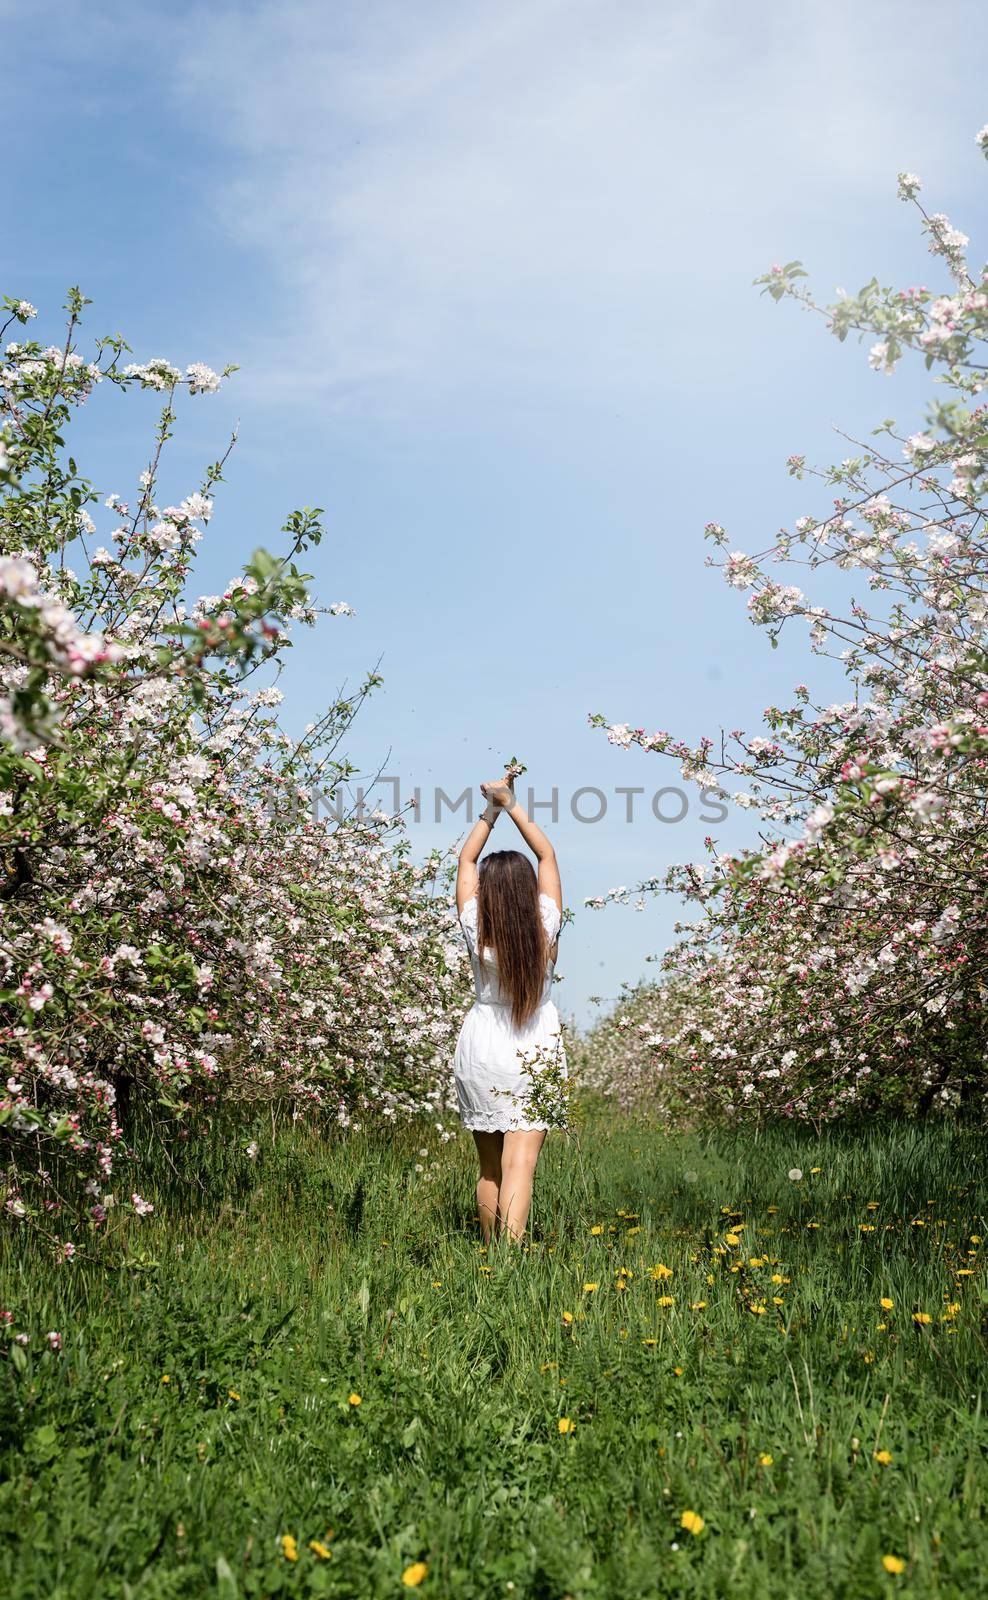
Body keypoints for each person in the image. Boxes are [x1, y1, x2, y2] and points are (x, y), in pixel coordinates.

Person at [452, 771, 566, 1243]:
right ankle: (511, 1261)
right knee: (521, 1162)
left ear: (487, 893)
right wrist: (512, 803)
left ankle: (489, 1256)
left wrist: (491, 810)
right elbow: (546, 854)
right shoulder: (543, 925)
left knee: (489, 1167)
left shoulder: (476, 926)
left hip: (483, 1044)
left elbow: (466, 857)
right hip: (533, 1043)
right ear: (526, 893)